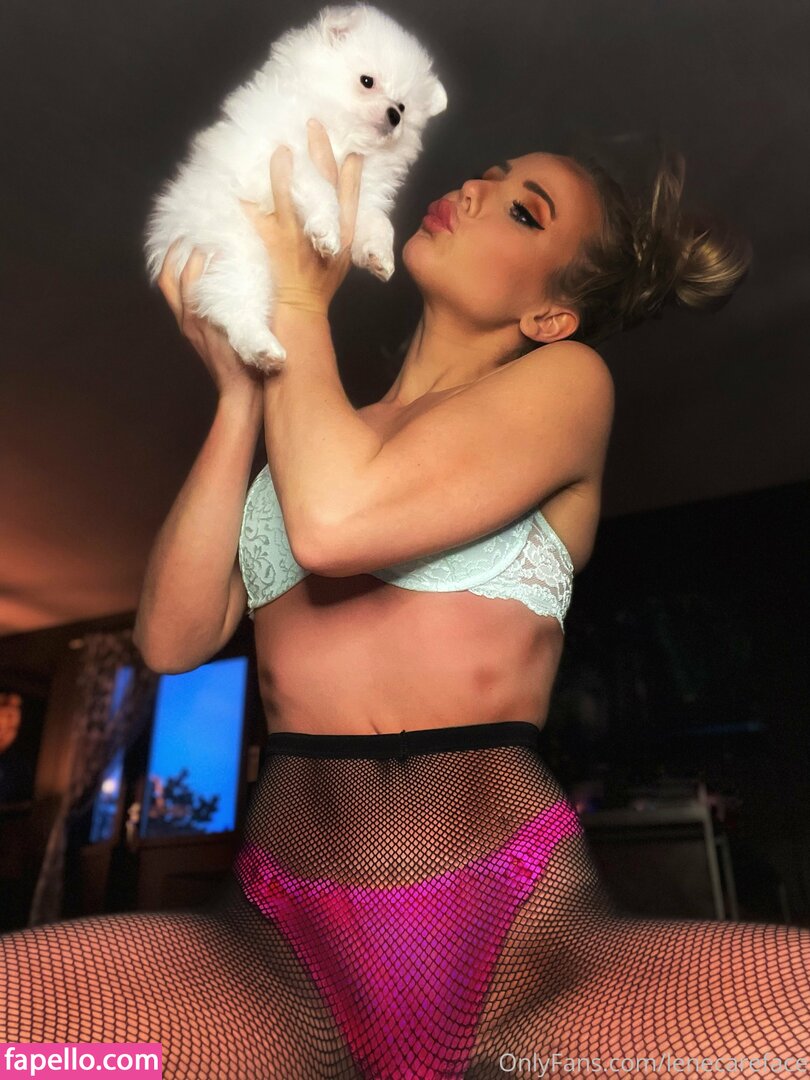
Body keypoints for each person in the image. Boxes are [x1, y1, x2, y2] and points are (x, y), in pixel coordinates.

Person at [2, 119, 808, 1078]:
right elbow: (172, 641)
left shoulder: (567, 386)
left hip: (521, 945)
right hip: (276, 948)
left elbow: (334, 526)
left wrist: (295, 299)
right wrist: (240, 400)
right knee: (28, 1046)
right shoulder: (313, 440)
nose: (471, 189)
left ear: (550, 314)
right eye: (486, 175)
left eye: (523, 210)